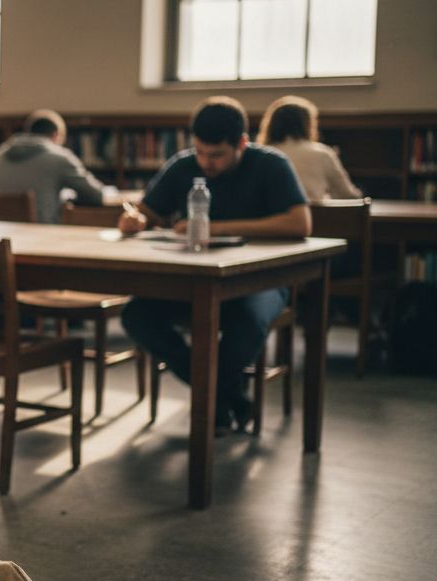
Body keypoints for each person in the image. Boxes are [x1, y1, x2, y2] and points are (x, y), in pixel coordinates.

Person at [118, 96, 311, 434]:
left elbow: (300, 223)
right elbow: (146, 213)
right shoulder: (184, 165)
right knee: (136, 315)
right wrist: (131, 220)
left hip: (259, 280)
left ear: (242, 143)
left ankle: (214, 404)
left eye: (217, 155)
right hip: (195, 279)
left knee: (245, 322)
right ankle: (228, 399)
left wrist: (220, 227)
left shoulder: (271, 165)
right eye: (201, 152)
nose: (206, 163)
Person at [0, 108, 107, 223]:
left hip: (3, 233)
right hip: (42, 236)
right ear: (56, 135)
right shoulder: (59, 157)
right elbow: (96, 195)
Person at [257, 95, 361, 202]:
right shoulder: (322, 153)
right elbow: (347, 195)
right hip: (316, 217)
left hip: (272, 217)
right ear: (308, 125)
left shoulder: (260, 155)